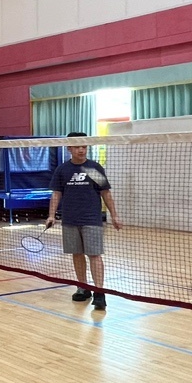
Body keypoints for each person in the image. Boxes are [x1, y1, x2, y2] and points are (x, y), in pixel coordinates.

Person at [47, 132, 122, 312]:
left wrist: (114, 215)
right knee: (77, 254)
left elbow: (105, 193)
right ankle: (83, 287)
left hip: (91, 219)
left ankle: (99, 292)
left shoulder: (93, 168)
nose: (81, 150)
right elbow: (57, 193)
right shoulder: (63, 170)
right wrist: (51, 215)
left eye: (84, 146)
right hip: (70, 219)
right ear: (69, 148)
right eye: (77, 147)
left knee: (94, 255)